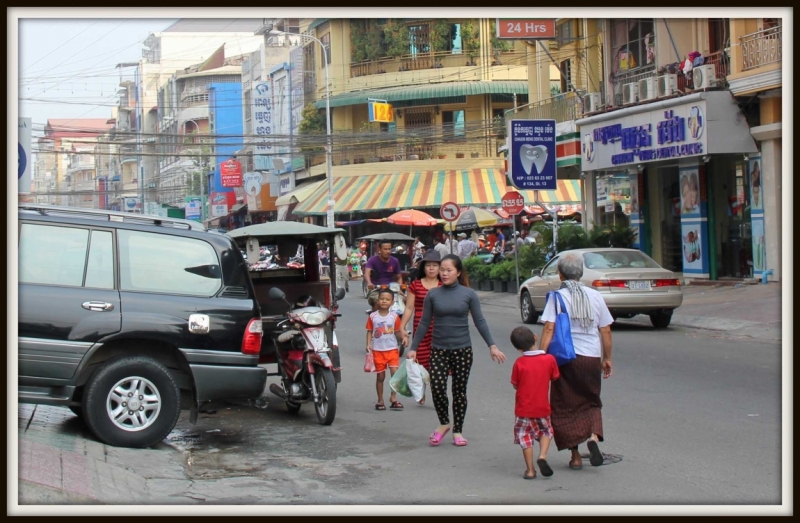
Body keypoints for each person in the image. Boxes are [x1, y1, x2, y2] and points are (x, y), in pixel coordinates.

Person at [404, 254, 507, 447]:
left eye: (448, 270)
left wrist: (492, 345)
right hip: (439, 349)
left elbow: (480, 321)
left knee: (459, 391)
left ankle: (458, 430)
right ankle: (444, 423)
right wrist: (414, 348)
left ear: (458, 272)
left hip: (462, 350)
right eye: (442, 270)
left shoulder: (468, 295)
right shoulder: (432, 295)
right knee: (437, 387)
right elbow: (424, 322)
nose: (443, 273)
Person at [538, 252, 613, 469]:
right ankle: (593, 437)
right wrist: (607, 358)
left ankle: (576, 457)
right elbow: (605, 330)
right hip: (590, 357)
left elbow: (549, 328)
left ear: (560, 274)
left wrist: (543, 357)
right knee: (591, 401)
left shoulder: (557, 297)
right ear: (580, 273)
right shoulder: (595, 296)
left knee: (564, 406)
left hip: (565, 359)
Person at [510, 326, 560, 479]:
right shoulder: (549, 359)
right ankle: (543, 456)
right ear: (536, 337)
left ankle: (530, 470)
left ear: (519, 349)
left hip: (523, 409)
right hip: (542, 407)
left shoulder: (519, 363)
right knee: (546, 431)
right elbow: (555, 377)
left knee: (525, 438)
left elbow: (515, 384)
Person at [400, 250, 443, 376]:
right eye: (428, 265)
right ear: (423, 267)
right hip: (420, 329)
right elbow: (409, 308)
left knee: (438, 368)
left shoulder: (444, 286)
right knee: (420, 367)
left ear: (440, 267)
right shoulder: (415, 285)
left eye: (435, 265)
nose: (431, 268)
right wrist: (402, 327)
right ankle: (420, 396)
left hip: (440, 330)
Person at [366, 288, 404, 411]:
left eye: (387, 299)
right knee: (380, 377)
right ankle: (380, 400)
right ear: (377, 301)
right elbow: (369, 331)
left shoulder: (394, 317)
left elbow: (397, 331)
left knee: (395, 374)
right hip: (378, 351)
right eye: (382, 299)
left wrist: (403, 339)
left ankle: (393, 398)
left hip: (392, 350)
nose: (384, 301)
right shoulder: (373, 316)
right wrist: (368, 344)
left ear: (392, 303)